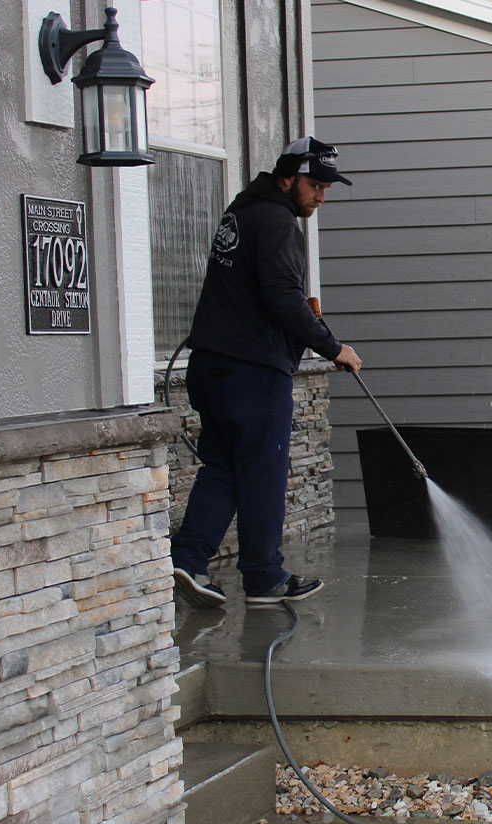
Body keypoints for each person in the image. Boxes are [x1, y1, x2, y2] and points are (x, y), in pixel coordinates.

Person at [170, 136, 362, 609]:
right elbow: (282, 297)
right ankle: (264, 578)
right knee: (263, 473)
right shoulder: (277, 222)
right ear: (286, 177)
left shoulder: (242, 212)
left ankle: (188, 559)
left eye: (326, 187)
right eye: (314, 184)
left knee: (224, 466)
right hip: (252, 372)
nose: (321, 195)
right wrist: (332, 347)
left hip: (211, 365)